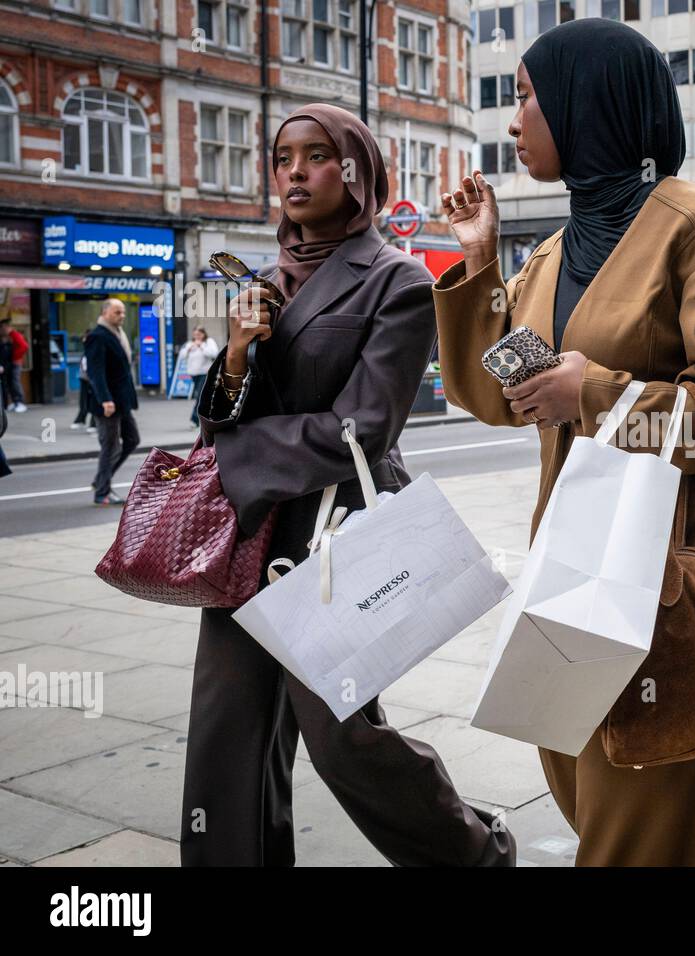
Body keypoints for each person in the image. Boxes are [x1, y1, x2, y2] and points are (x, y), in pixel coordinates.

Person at [433, 19, 695, 866]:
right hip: (574, 569)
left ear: (585, 100)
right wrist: (482, 264)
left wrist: (597, 395)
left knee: (649, 821)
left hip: (678, 582)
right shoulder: (556, 251)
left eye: (526, 96)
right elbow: (501, 391)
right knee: (596, 791)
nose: (513, 119)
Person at [180, 104, 514, 867]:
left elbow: (364, 426)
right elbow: (214, 420)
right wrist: (234, 355)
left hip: (334, 537)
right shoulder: (258, 281)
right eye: (282, 158)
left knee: (344, 739)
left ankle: (474, 854)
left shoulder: (394, 280)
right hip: (251, 532)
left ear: (356, 171)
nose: (293, 172)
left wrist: (240, 453)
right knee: (227, 731)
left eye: (315, 156)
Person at [84, 299, 139, 506]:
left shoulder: (118, 334)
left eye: (123, 312)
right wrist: (105, 399)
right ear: (105, 312)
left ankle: (100, 480)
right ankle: (102, 492)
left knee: (132, 439)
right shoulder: (97, 336)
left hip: (122, 401)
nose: (122, 316)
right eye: (117, 312)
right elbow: (95, 372)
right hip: (108, 402)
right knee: (111, 447)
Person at [177, 326, 219, 426]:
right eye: (195, 335)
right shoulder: (190, 343)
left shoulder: (209, 342)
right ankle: (210, 418)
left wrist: (202, 346)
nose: (197, 337)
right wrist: (188, 349)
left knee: (200, 396)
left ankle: (194, 419)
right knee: (204, 397)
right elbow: (181, 356)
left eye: (199, 334)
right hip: (193, 374)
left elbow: (214, 353)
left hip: (205, 373)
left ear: (204, 334)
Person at [1, 317, 28, 412]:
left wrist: (15, 357)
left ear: (6, 327)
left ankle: (21, 402)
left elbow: (24, 346)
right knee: (11, 382)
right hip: (12, 362)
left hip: (16, 362)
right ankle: (15, 402)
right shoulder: (9, 336)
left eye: (2, 327)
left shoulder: (14, 334)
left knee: (15, 382)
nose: (1, 330)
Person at [70, 332, 96, 430]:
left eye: (86, 339)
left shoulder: (94, 350)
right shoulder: (87, 350)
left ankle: (94, 423)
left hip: (92, 379)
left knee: (95, 401)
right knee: (84, 401)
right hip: (85, 378)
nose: (84, 341)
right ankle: (82, 419)